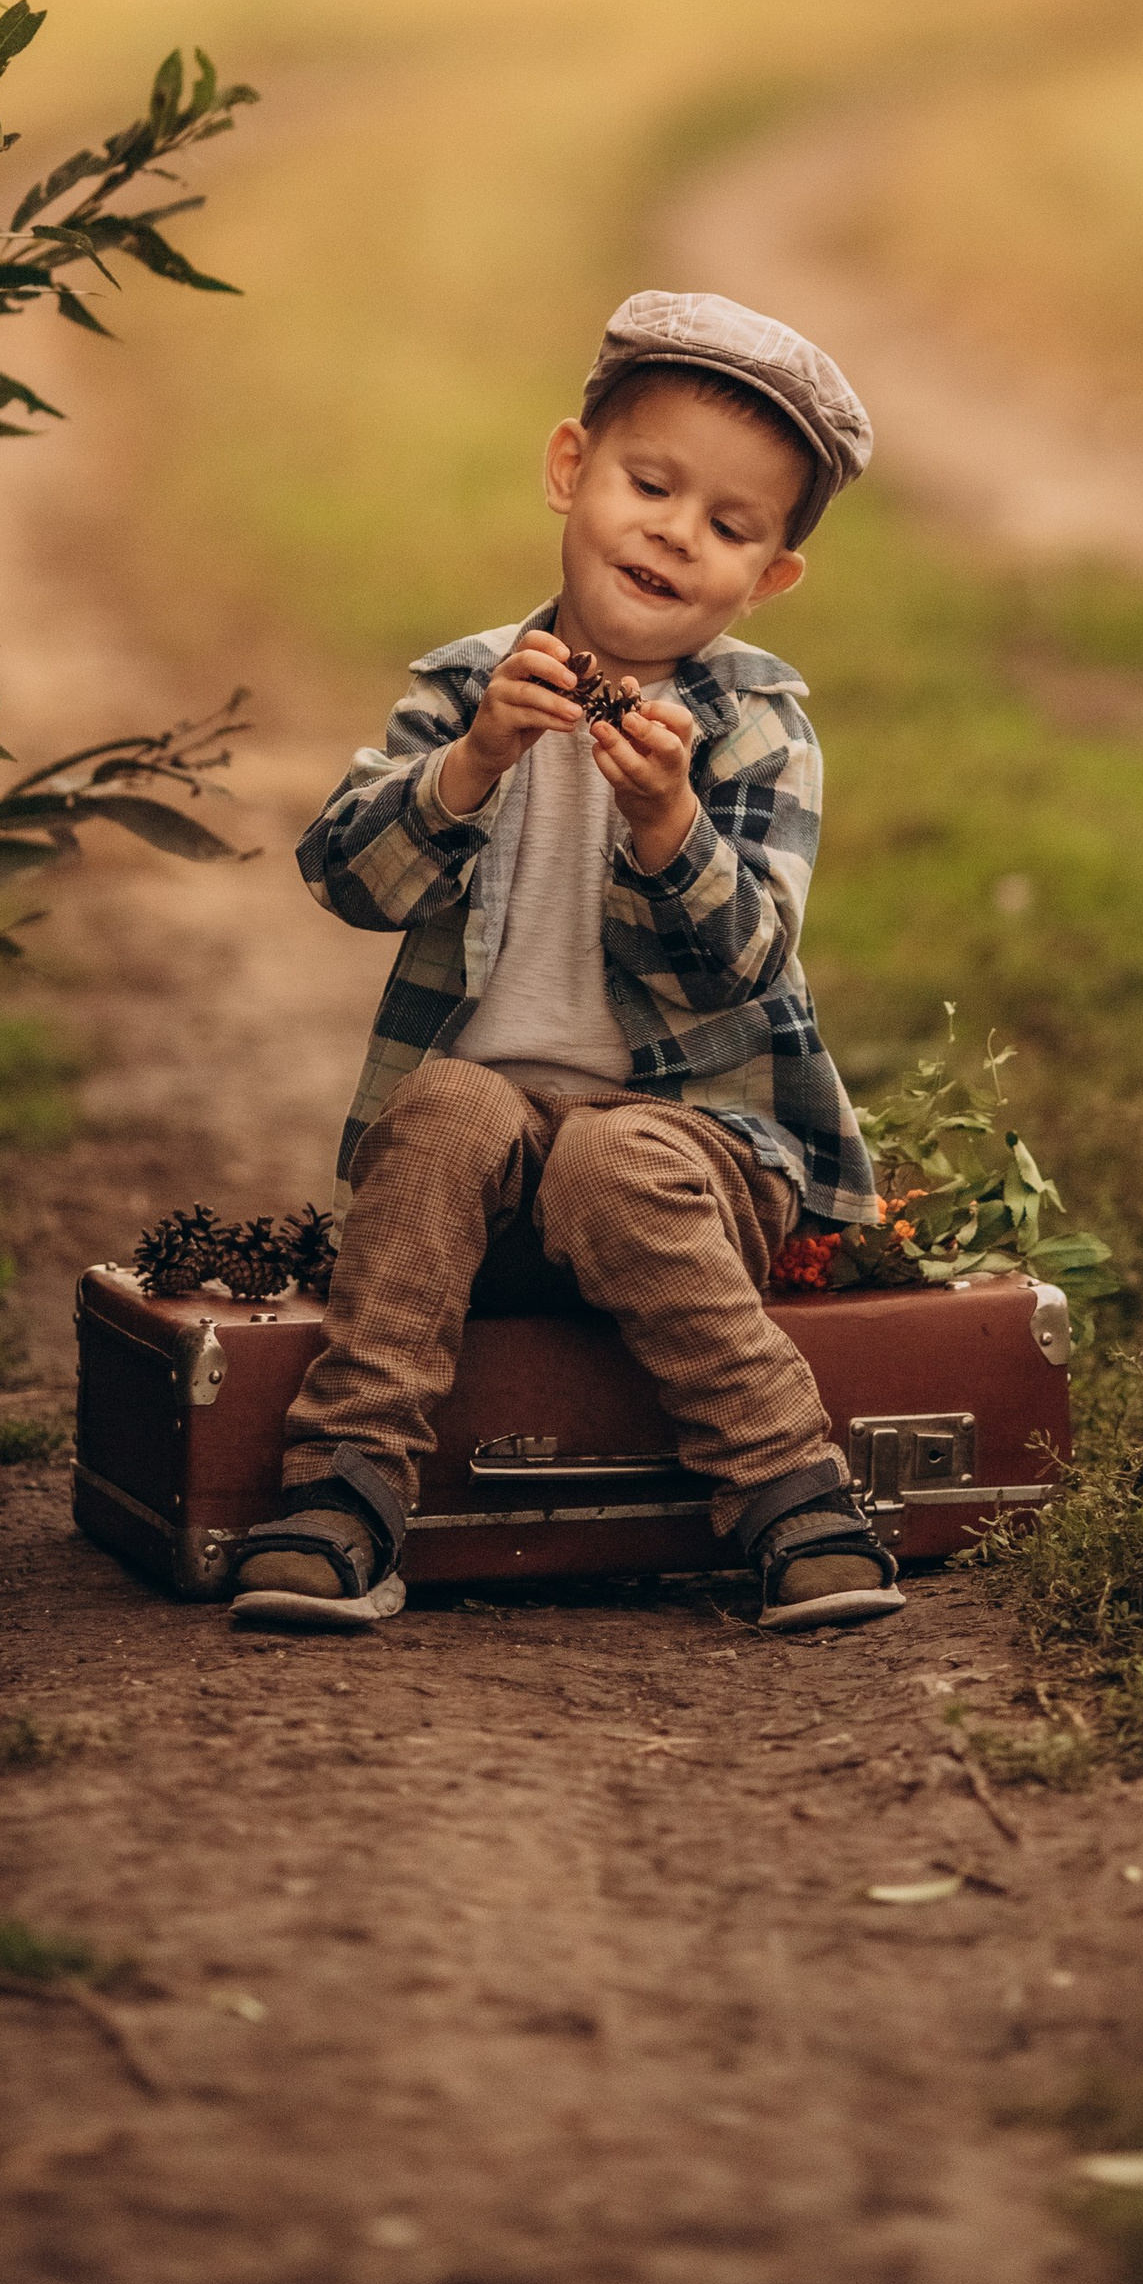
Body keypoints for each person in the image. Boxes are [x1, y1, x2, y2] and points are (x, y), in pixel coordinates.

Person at [238, 289, 901, 1642]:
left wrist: (670, 826)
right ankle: (346, 1498)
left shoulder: (759, 737)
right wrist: (473, 762)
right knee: (438, 1109)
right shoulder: (469, 688)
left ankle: (793, 1493)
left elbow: (750, 968)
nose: (674, 532)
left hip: (696, 1157)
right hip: (486, 1183)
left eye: (728, 526)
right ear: (570, 472)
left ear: (770, 578)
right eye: (649, 485)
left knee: (617, 1158)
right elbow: (344, 878)